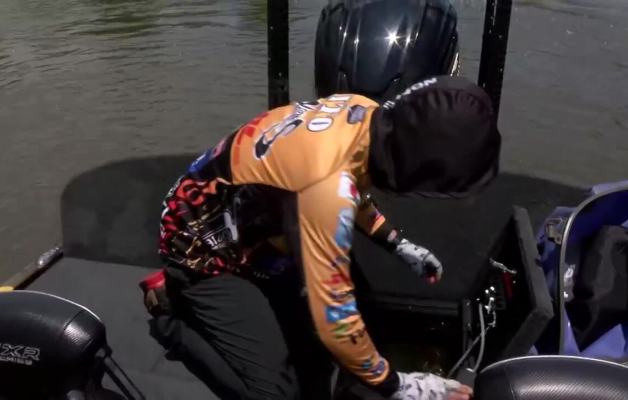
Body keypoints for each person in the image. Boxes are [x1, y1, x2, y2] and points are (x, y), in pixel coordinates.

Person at [141, 75, 501, 400]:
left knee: (323, 344)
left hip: (258, 222)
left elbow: (350, 187)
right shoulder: (326, 188)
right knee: (278, 393)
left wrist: (397, 243)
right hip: (200, 249)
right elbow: (336, 321)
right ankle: (173, 316)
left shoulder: (363, 109)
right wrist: (401, 386)